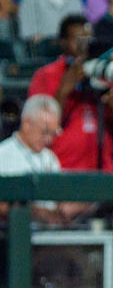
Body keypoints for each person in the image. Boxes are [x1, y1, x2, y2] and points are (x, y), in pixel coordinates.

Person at [27, 15, 113, 171]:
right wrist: (64, 89)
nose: (84, 46)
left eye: (89, 40)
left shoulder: (105, 73)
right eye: (78, 40)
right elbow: (37, 128)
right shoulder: (46, 75)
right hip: (59, 170)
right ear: (63, 42)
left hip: (102, 173)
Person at [0, 95, 84, 223]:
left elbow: (58, 202)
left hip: (49, 235)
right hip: (15, 234)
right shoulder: (3, 154)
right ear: (26, 123)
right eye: (44, 132)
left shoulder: (50, 157)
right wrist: (42, 214)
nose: (49, 139)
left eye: (52, 133)